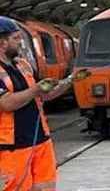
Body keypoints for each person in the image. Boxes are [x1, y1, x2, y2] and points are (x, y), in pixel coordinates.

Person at [0, 16, 73, 191]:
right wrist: (36, 90)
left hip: (41, 140)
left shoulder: (23, 65)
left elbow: (43, 96)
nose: (20, 43)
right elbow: (6, 104)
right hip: (13, 146)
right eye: (16, 39)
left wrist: (70, 80)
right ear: (2, 43)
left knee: (46, 186)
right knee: (18, 187)